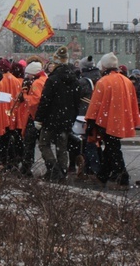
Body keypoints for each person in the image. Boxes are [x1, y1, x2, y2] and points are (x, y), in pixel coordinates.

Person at [85, 52, 140, 189]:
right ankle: (103, 176)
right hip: (121, 119)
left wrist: (91, 122)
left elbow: (95, 104)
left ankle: (121, 177)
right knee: (111, 148)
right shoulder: (127, 81)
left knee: (112, 149)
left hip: (107, 120)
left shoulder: (104, 81)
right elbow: (133, 103)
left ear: (103, 66)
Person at [34, 46, 81, 182]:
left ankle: (54, 170)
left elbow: (45, 101)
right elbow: (77, 104)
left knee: (44, 144)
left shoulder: (53, 79)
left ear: (56, 63)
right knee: (62, 147)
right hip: (66, 120)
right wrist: (71, 118)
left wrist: (39, 119)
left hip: (51, 119)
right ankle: (62, 173)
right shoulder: (75, 80)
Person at [16, 60, 47, 177]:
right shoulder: (44, 79)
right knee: (43, 144)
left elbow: (35, 101)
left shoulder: (37, 83)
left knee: (29, 143)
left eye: (28, 74)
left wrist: (25, 95)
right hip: (42, 117)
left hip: (35, 117)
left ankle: (26, 168)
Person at [0, 58, 22, 172]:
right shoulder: (16, 80)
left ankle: (4, 162)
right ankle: (14, 161)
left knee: (2, 140)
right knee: (13, 139)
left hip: (2, 115)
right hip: (14, 113)